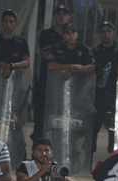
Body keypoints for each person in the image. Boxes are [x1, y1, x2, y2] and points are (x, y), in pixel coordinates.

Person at [32, 4, 71, 141]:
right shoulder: (46, 34)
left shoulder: (71, 34)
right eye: (59, 14)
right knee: (41, 121)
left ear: (69, 17)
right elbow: (45, 55)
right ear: (54, 16)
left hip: (64, 85)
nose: (62, 16)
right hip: (46, 83)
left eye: (64, 14)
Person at [92, 21, 118, 154]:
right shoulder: (94, 51)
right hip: (97, 94)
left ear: (114, 33)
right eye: (103, 31)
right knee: (93, 127)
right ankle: (88, 160)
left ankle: (112, 159)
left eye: (109, 31)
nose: (106, 34)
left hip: (115, 95)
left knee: (114, 130)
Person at [0, 9, 31, 79]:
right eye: (5, 21)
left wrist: (11, 66)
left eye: (11, 22)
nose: (8, 25)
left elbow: (27, 62)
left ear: (15, 23)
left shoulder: (21, 41)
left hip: (15, 81)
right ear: (2, 23)